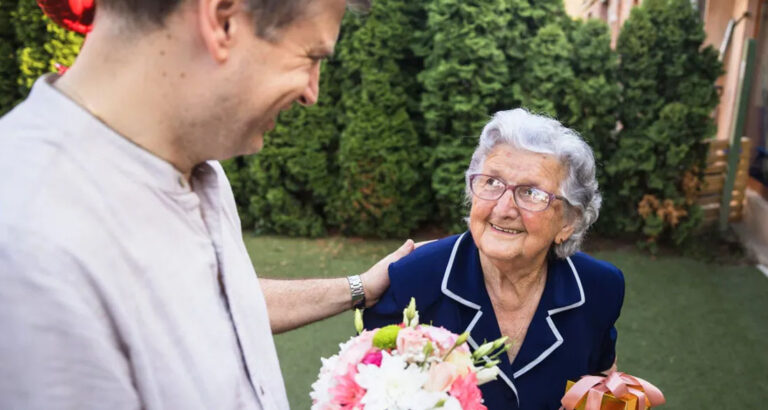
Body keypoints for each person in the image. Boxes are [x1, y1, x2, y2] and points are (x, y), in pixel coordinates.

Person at [0, 0, 416, 408]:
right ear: (222, 20)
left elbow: (218, 303)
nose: (313, 92)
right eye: (310, 56)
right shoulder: (30, 246)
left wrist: (358, 287)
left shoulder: (197, 165)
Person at [364, 108, 625, 410]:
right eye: (492, 182)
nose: (504, 208)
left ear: (568, 221)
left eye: (531, 192)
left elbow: (601, 379)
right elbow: (365, 390)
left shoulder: (599, 287)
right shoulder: (414, 278)